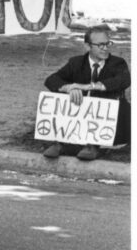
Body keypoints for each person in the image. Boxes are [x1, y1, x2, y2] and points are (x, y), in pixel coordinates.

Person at [42, 25, 131, 161]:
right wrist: (69, 88)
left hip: (107, 118)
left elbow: (123, 81)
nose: (105, 48)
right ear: (88, 47)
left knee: (114, 104)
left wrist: (87, 87)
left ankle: (93, 146)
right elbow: (51, 80)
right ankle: (61, 143)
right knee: (61, 96)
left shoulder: (117, 63)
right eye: (100, 45)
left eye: (108, 44)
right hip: (82, 115)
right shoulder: (76, 62)